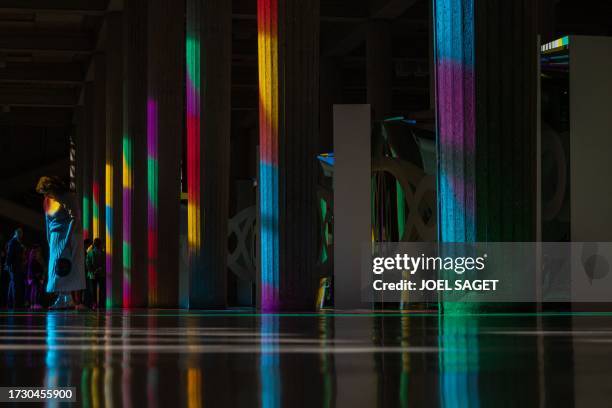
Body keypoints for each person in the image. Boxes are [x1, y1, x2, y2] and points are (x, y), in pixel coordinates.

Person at [35, 176, 86, 310]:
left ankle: (68, 298)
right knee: (57, 268)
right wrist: (49, 239)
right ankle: (62, 297)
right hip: (56, 237)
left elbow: (74, 218)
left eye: (46, 192)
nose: (45, 195)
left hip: (72, 234)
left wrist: (68, 238)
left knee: (69, 266)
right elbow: (48, 222)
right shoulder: (47, 201)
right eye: (44, 193)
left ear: (52, 188)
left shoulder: (68, 197)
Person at [5, 228, 26, 308]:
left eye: (21, 233)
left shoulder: (17, 242)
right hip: (14, 266)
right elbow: (9, 254)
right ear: (16, 233)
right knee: (14, 284)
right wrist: (8, 265)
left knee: (12, 284)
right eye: (19, 233)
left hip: (16, 266)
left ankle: (11, 302)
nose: (21, 235)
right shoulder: (13, 242)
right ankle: (15, 303)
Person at [85, 238, 105, 310]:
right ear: (100, 244)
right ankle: (101, 304)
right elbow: (104, 264)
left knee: (92, 290)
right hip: (101, 274)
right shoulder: (103, 253)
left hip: (92, 274)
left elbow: (87, 263)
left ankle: (94, 304)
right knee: (101, 290)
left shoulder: (90, 253)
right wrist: (99, 269)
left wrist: (93, 271)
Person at [26, 245, 46, 310]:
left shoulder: (36, 259)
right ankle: (35, 304)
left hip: (36, 277)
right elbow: (34, 270)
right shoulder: (33, 260)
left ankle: (34, 304)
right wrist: (38, 276)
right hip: (35, 278)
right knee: (35, 290)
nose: (39, 252)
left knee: (36, 290)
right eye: (38, 250)